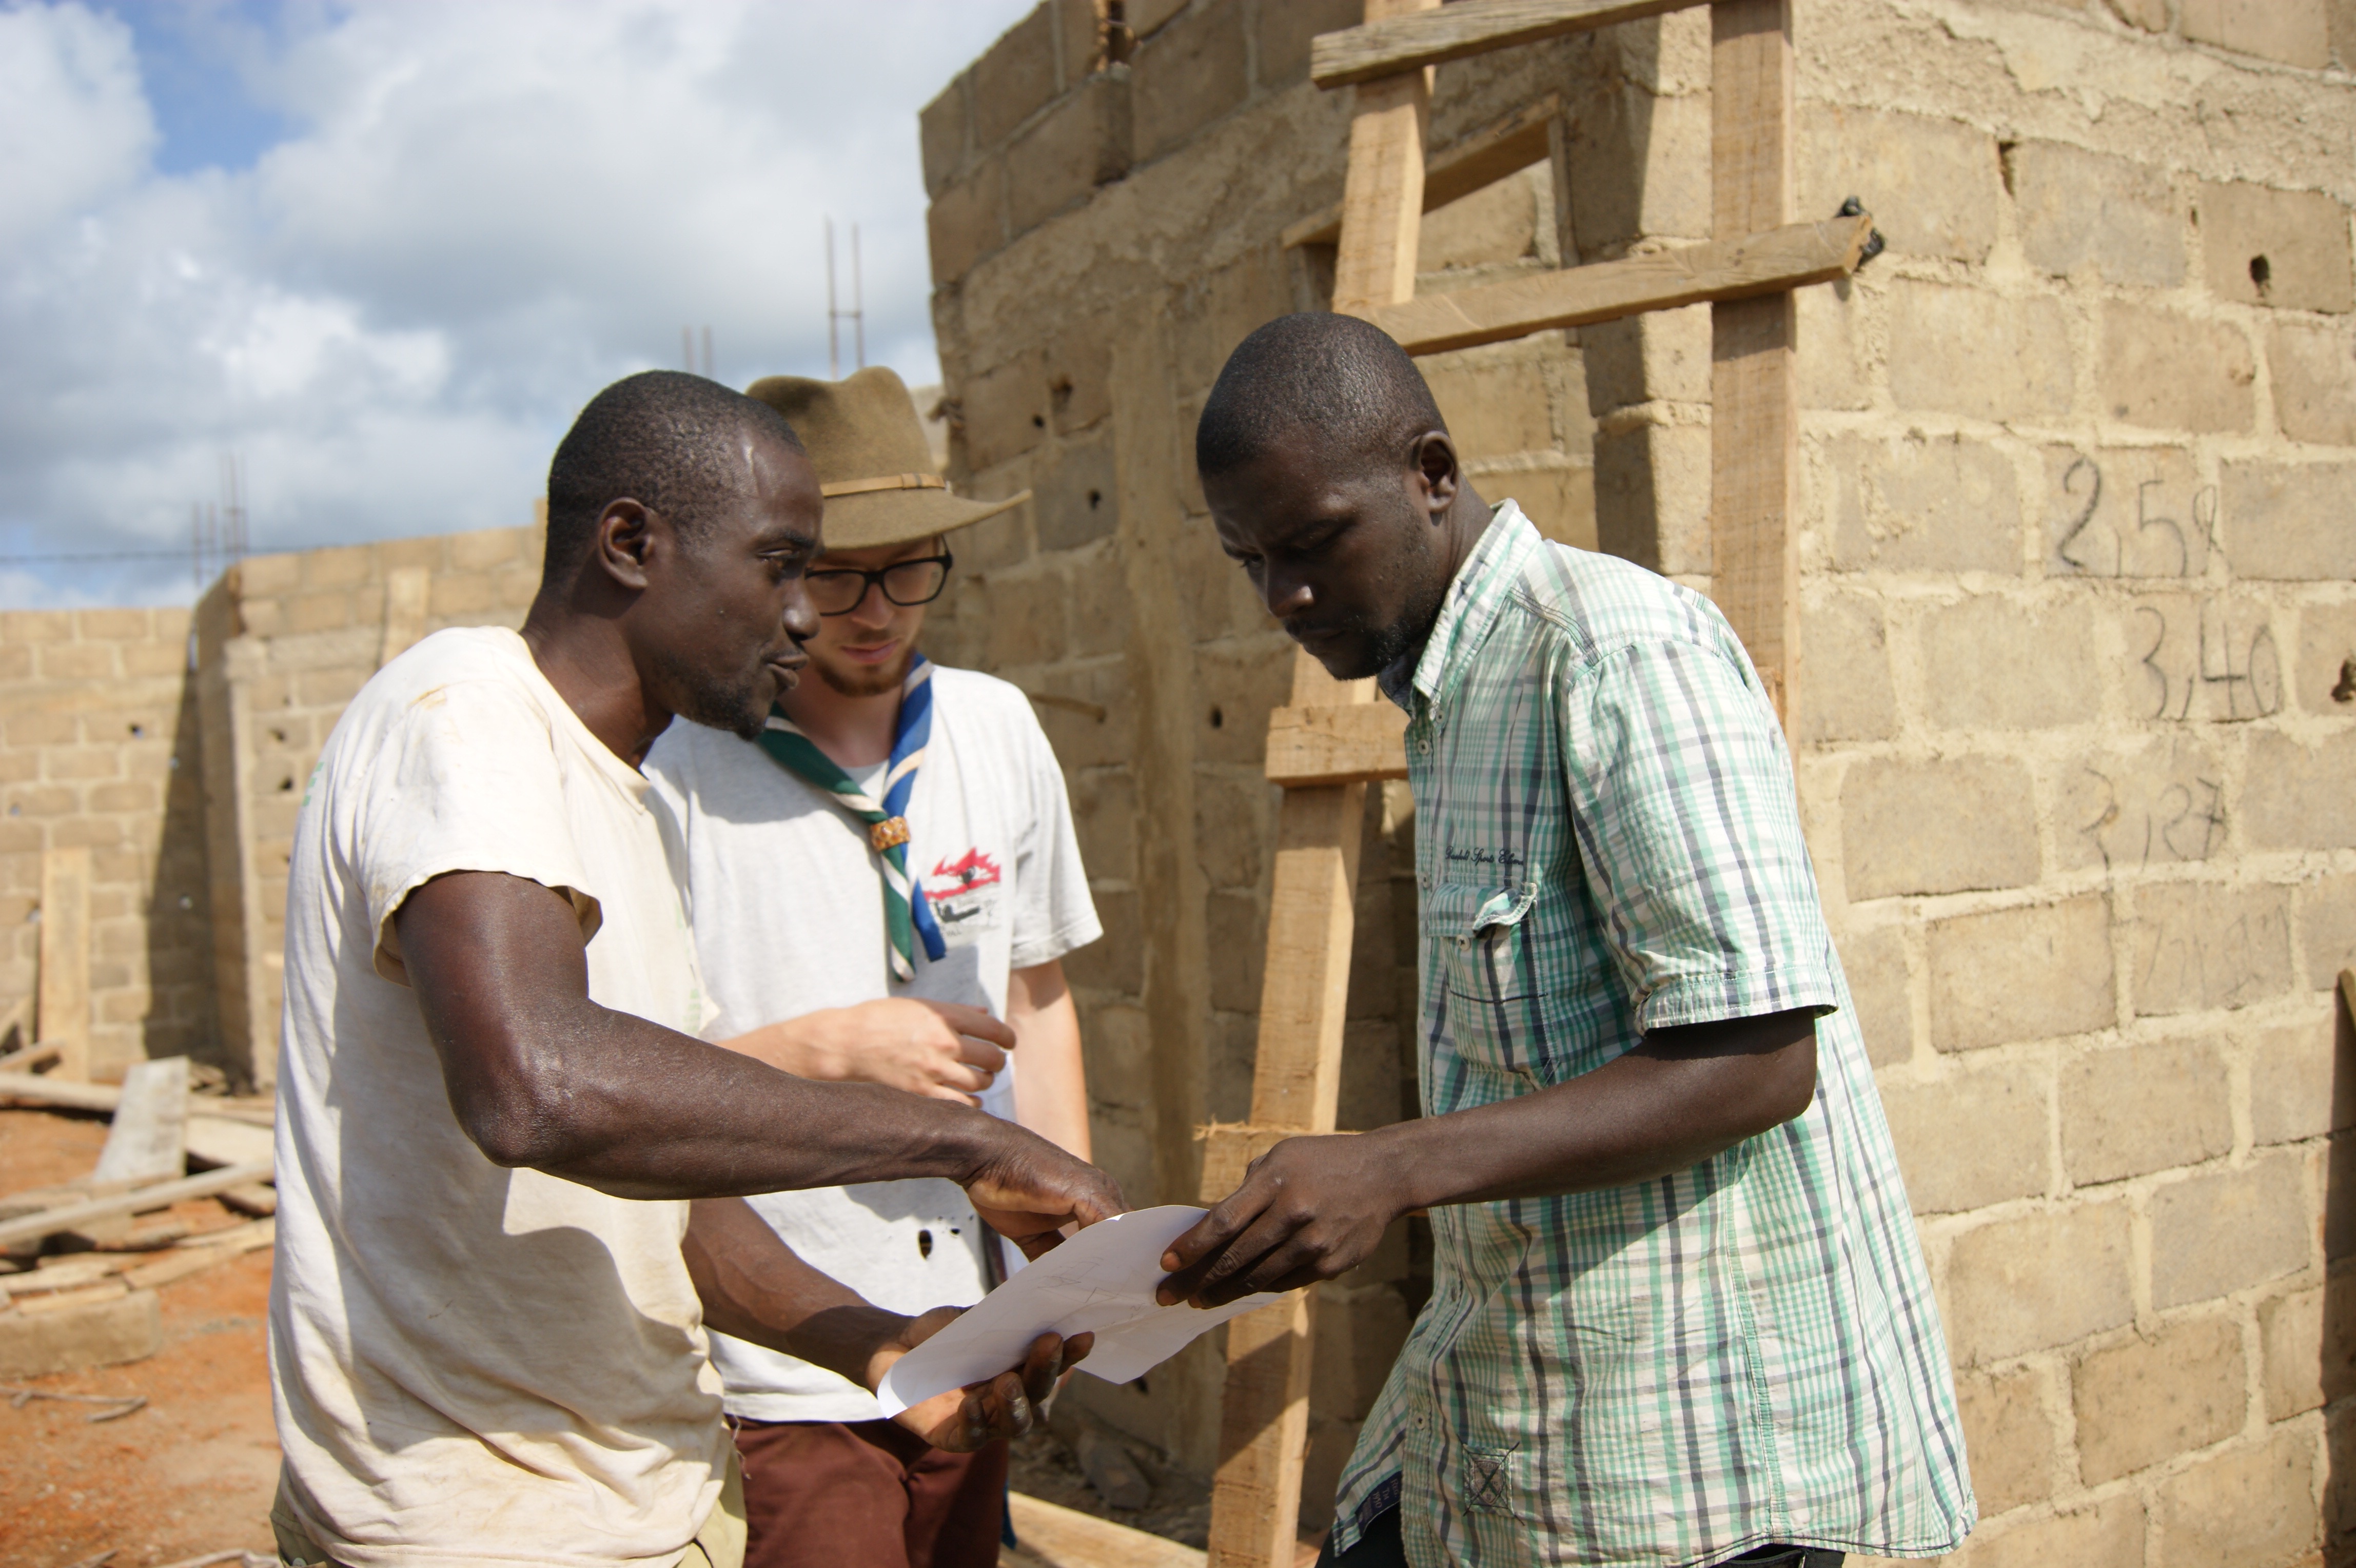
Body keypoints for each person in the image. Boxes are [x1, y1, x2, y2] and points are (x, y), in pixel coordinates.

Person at [268, 370, 1122, 1568]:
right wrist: (962, 1140)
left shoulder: (624, 803)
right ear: (631, 543)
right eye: (781, 567)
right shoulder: (464, 716)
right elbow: (539, 1089)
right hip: (467, 1519)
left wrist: (883, 1348)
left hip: (628, 1500)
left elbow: (676, 1199)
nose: (803, 617)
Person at [1159, 315, 1974, 1568]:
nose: (1284, 597)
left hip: (1687, 1467)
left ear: (1431, 473)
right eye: (1249, 559)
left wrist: (1390, 1167)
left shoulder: (1611, 653)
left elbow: (1757, 1059)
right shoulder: (1447, 691)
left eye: (1313, 542)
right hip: (1526, 1400)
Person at [645, 365, 1100, 1568]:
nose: (877, 607)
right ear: (776, 569)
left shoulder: (996, 729)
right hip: (784, 1344)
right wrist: (822, 1051)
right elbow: (620, 1077)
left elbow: (1036, 1000)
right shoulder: (681, 770)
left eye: (913, 566)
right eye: (837, 570)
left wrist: (1068, 1263)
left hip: (971, 1310)